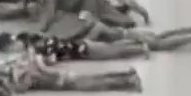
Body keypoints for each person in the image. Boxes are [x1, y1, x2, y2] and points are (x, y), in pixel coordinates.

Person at [9, 50, 143, 92]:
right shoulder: (28, 69)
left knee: (99, 82)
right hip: (63, 80)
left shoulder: (26, 72)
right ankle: (127, 78)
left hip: (62, 81)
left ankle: (128, 80)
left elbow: (23, 87)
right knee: (99, 80)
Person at [33, 0, 136, 32]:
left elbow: (50, 12)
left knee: (90, 20)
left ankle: (126, 23)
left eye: (40, 0)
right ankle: (123, 18)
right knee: (102, 10)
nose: (42, 2)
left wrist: (43, 29)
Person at [68, 10, 191, 50]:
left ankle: (189, 38)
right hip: (129, 33)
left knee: (159, 44)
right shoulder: (96, 23)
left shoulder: (96, 28)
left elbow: (88, 42)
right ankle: (186, 31)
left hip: (129, 37)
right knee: (159, 36)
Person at [17, 32, 148, 61]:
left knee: (115, 52)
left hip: (86, 51)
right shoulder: (49, 39)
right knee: (111, 46)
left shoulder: (48, 46)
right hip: (84, 43)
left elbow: (54, 59)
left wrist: (43, 59)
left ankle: (140, 49)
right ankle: (136, 42)